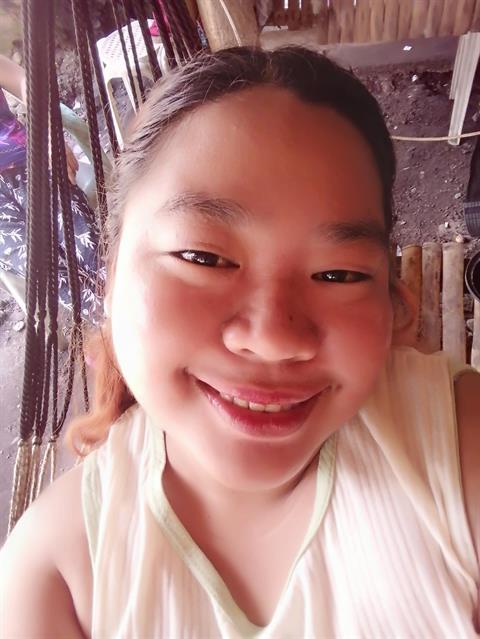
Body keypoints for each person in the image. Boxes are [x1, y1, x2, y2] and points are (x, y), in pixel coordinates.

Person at [0, 46, 479, 638]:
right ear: (113, 272)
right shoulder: (58, 578)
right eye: (203, 258)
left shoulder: (456, 452)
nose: (274, 338)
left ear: (388, 293)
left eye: (339, 274)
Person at [0, 54, 103, 323]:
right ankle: (114, 324)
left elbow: (24, 79)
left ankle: (127, 314)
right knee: (45, 270)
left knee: (87, 249)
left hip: (28, 161)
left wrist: (47, 131)